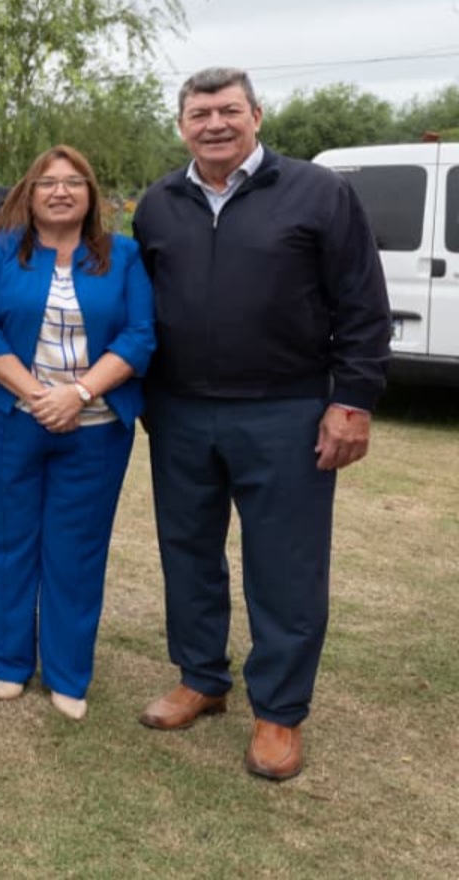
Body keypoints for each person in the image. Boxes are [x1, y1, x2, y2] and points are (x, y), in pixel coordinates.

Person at [132, 67, 390, 780]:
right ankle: (201, 678)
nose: (214, 124)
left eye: (228, 110)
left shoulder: (318, 192)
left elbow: (363, 304)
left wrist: (353, 400)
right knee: (187, 552)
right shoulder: (158, 203)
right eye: (199, 113)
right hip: (180, 411)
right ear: (180, 124)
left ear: (257, 115)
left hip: (287, 409)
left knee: (285, 567)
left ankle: (278, 712)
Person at [0, 146, 155, 719]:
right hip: (11, 422)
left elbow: (140, 336)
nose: (61, 191)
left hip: (94, 428)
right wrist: (38, 396)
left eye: (74, 182)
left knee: (76, 551)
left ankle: (68, 673)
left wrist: (79, 394)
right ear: (29, 192)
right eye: (48, 182)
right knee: (7, 542)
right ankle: (9, 662)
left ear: (92, 194)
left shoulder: (123, 256)